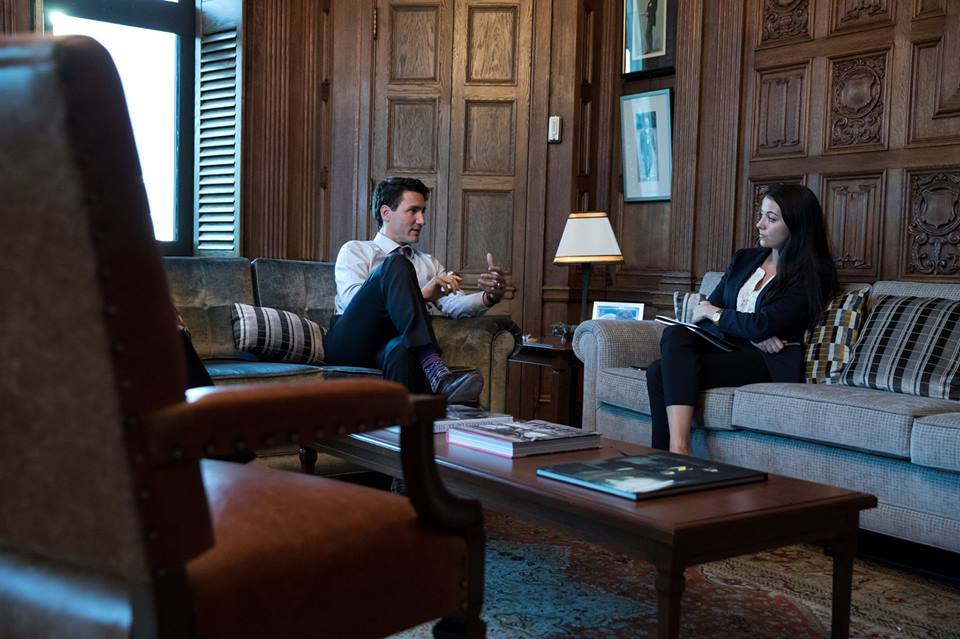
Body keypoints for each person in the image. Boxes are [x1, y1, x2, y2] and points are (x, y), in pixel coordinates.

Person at [646, 184, 838, 455]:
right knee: (675, 336)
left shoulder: (811, 275)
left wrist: (732, 321)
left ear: (797, 226)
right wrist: (752, 334)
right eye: (761, 215)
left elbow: (758, 323)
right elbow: (704, 314)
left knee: (659, 372)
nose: (760, 224)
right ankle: (671, 455)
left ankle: (676, 452)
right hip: (731, 347)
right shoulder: (744, 259)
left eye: (771, 219)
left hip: (766, 362)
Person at [322, 177, 507, 404]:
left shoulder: (428, 263)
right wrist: (423, 295)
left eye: (423, 212)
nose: (422, 220)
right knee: (396, 264)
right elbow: (354, 304)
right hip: (350, 343)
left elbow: (454, 304)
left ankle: (404, 424)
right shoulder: (356, 250)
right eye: (413, 211)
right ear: (386, 212)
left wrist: (489, 297)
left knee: (404, 349)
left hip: (390, 343)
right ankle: (435, 369)